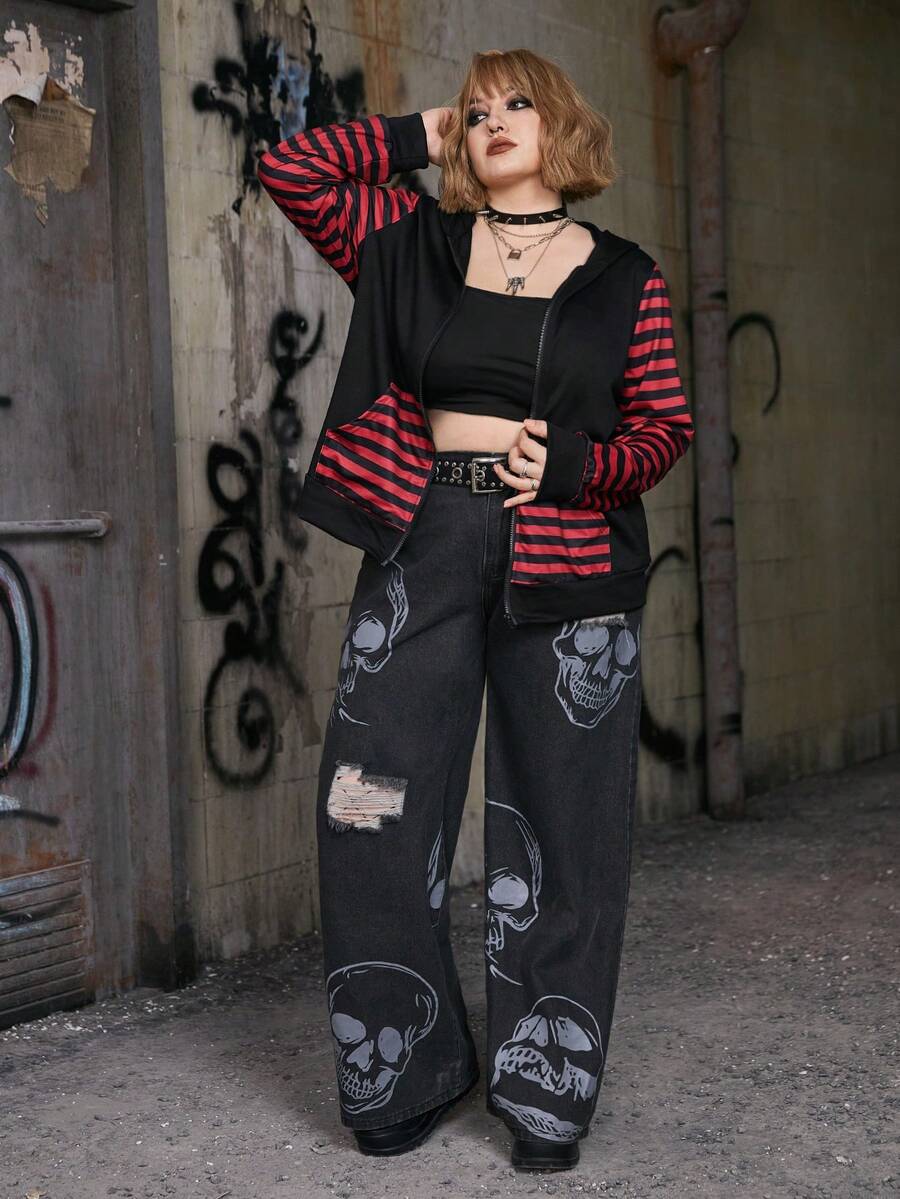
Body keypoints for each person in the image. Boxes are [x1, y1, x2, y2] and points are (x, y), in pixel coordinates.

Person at [257, 47, 694, 1172]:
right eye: (481, 107)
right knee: (371, 801)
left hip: (571, 548)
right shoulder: (411, 243)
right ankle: (402, 1067)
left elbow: (664, 427)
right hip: (427, 538)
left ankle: (546, 1090)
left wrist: (578, 466)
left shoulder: (626, 276)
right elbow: (291, 168)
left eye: (519, 104)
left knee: (563, 821)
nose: (496, 119)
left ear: (564, 126)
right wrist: (424, 132)